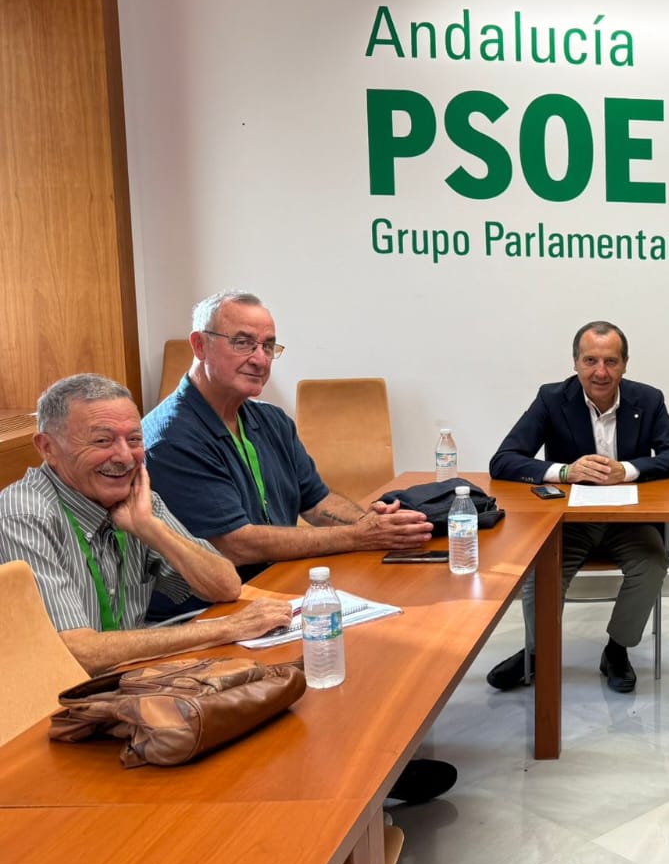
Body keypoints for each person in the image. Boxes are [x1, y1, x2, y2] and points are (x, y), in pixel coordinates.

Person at [143, 291, 453, 804]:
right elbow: (234, 544)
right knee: (345, 653)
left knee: (391, 640)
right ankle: (338, 788)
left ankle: (374, 767)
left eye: (268, 346)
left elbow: (318, 499)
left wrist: (379, 526)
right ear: (200, 345)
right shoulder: (171, 436)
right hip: (213, 610)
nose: (259, 358)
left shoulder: (269, 421)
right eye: (243, 342)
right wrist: (357, 537)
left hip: (280, 586)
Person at [0, 373, 293, 675]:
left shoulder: (137, 500)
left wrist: (151, 528)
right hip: (55, 699)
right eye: (102, 440)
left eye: (135, 439)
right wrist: (225, 628)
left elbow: (225, 586)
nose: (125, 457)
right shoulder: (24, 515)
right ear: (47, 448)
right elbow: (78, 651)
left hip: (130, 681)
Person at [488, 320, 669, 693]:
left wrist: (627, 471)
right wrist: (565, 471)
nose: (601, 372)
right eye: (590, 360)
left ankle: (616, 650)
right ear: (576, 362)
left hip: (628, 521)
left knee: (651, 564)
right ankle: (537, 651)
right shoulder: (552, 398)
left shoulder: (648, 399)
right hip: (570, 522)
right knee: (539, 572)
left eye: (611, 361)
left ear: (625, 364)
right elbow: (503, 460)